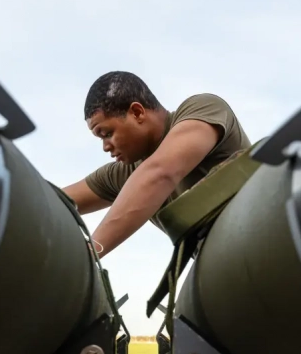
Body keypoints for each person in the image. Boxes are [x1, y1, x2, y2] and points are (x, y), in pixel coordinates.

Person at [62, 71, 251, 258]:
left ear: (137, 112)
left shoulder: (204, 108)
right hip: (223, 265)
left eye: (107, 134)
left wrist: (88, 254)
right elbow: (56, 202)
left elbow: (159, 174)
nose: (105, 147)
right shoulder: (127, 174)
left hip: (258, 233)